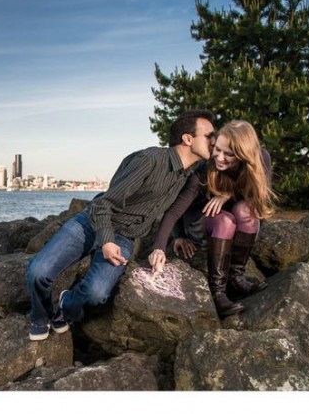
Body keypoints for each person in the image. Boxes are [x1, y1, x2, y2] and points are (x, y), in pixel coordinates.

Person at [26, 109, 216, 341]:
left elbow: (174, 212)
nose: (214, 141)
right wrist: (106, 239)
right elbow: (103, 203)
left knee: (96, 293)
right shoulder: (150, 160)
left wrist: (160, 245)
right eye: (209, 135)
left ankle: (67, 305)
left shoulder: (190, 175)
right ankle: (39, 315)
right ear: (188, 139)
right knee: (39, 271)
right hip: (92, 221)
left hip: (125, 236)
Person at [149, 120, 275, 317]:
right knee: (225, 220)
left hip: (232, 215)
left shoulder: (261, 158)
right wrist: (165, 243)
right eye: (217, 149)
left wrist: (227, 194)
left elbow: (259, 197)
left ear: (244, 154)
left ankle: (236, 279)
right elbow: (174, 209)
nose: (220, 158)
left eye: (229, 154)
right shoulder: (205, 169)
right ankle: (218, 293)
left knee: (247, 212)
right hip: (201, 221)